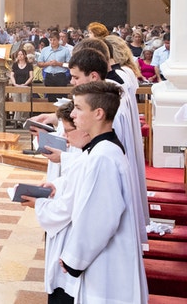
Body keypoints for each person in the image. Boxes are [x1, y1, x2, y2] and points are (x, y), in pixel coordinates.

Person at [25, 81, 148, 304]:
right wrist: (59, 187)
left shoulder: (102, 156)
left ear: (98, 113)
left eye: (79, 108)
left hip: (108, 264)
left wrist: (73, 259)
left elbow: (99, 219)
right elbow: (88, 185)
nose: (72, 113)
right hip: (107, 259)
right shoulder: (102, 149)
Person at [38, 31, 71, 102]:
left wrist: (58, 64)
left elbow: (69, 65)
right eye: (51, 40)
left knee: (62, 98)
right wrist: (48, 63)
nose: (52, 42)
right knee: (50, 98)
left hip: (61, 76)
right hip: (49, 76)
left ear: (59, 40)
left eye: (54, 40)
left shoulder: (65, 50)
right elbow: (39, 64)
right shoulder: (45, 50)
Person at [9, 49, 33, 124]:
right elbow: (12, 75)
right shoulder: (15, 65)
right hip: (16, 86)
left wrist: (25, 84)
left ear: (25, 55)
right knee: (17, 102)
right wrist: (15, 83)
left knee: (25, 102)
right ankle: (17, 120)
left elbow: (31, 76)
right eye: (18, 54)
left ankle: (24, 120)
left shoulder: (29, 65)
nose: (20, 56)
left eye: (21, 54)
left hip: (25, 86)